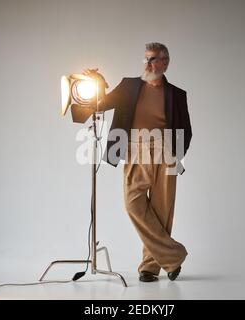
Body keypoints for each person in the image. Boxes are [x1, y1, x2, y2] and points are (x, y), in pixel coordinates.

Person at [83, 42, 192, 282]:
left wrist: (177, 154)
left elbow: (186, 129)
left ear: (165, 63)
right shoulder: (129, 86)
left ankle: (149, 268)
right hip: (135, 147)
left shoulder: (177, 94)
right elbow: (101, 104)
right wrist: (98, 82)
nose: (148, 64)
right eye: (145, 59)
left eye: (153, 59)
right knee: (133, 204)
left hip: (166, 150)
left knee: (162, 210)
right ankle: (174, 256)